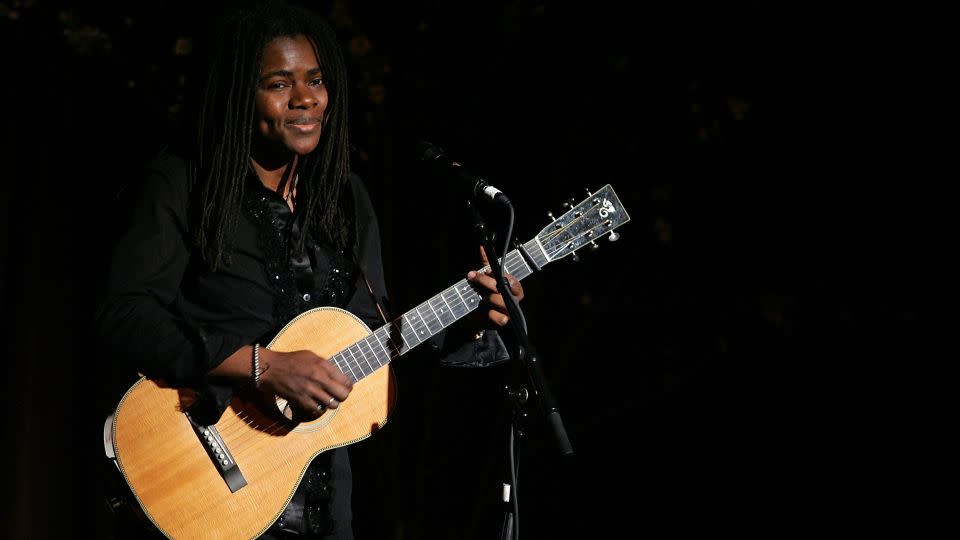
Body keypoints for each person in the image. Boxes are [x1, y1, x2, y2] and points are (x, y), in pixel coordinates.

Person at [94, 1, 523, 538]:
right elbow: (125, 316)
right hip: (201, 477)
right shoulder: (182, 183)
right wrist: (262, 366)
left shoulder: (345, 200)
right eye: (279, 82)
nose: (305, 99)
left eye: (316, 80)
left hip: (322, 501)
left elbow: (372, 337)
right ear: (237, 96)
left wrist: (476, 315)